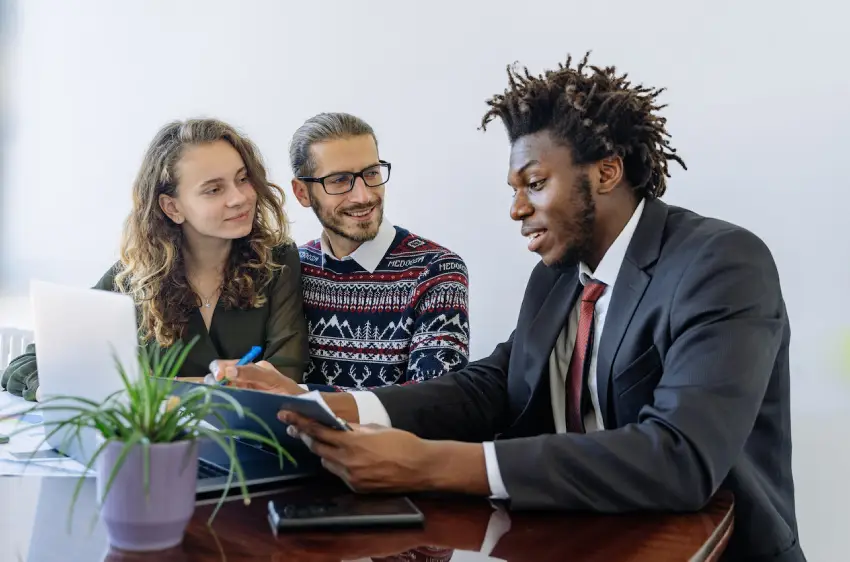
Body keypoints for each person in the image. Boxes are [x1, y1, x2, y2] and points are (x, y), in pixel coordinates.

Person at [216, 53, 805, 561]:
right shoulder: (555, 280)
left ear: (606, 172)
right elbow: (488, 389)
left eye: (534, 183)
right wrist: (322, 404)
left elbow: (678, 457)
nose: (516, 209)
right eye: (513, 189)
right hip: (578, 540)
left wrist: (431, 465)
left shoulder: (721, 263)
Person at [1, 118, 308, 401]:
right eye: (214, 189)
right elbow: (27, 365)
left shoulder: (278, 263)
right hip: (156, 448)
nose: (239, 197)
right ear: (172, 207)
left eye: (243, 179)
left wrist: (150, 388)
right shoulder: (135, 276)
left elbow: (282, 381)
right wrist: (54, 392)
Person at [287, 112, 470, 389]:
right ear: (302, 193)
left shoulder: (436, 271)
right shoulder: (290, 269)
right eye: (339, 180)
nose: (364, 195)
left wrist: (299, 396)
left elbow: (432, 402)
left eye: (371, 173)